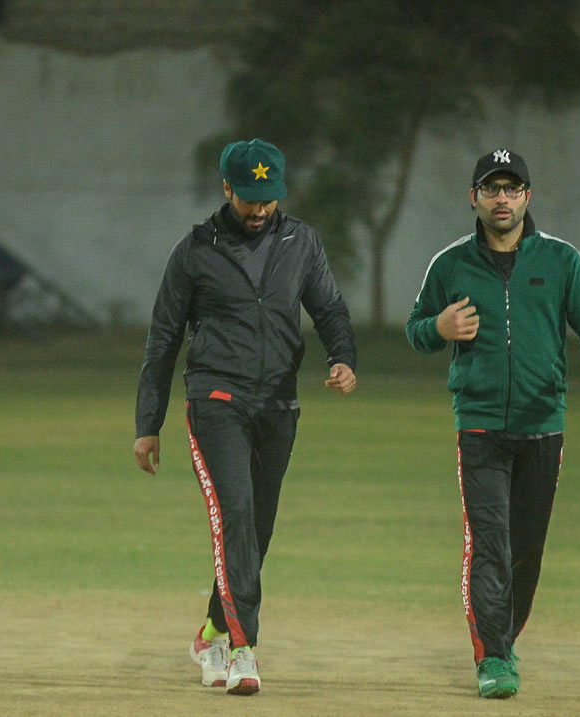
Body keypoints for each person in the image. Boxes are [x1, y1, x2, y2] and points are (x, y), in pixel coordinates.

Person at [134, 138, 357, 696]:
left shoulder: (302, 242)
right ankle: (242, 648)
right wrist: (147, 424)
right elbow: (163, 340)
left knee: (257, 531)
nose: (259, 209)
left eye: (268, 198)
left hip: (278, 404)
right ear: (227, 188)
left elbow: (329, 308)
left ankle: (211, 632)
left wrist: (343, 358)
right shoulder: (194, 251)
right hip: (216, 400)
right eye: (249, 198)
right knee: (234, 514)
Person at [406, 149, 580, 699]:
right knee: (490, 546)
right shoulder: (450, 264)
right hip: (479, 426)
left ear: (527, 196)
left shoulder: (561, 259)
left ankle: (504, 638)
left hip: (542, 424)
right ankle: (494, 657)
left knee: (526, 550)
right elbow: (416, 328)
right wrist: (438, 327)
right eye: (491, 188)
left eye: (511, 188)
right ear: (473, 197)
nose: (501, 199)